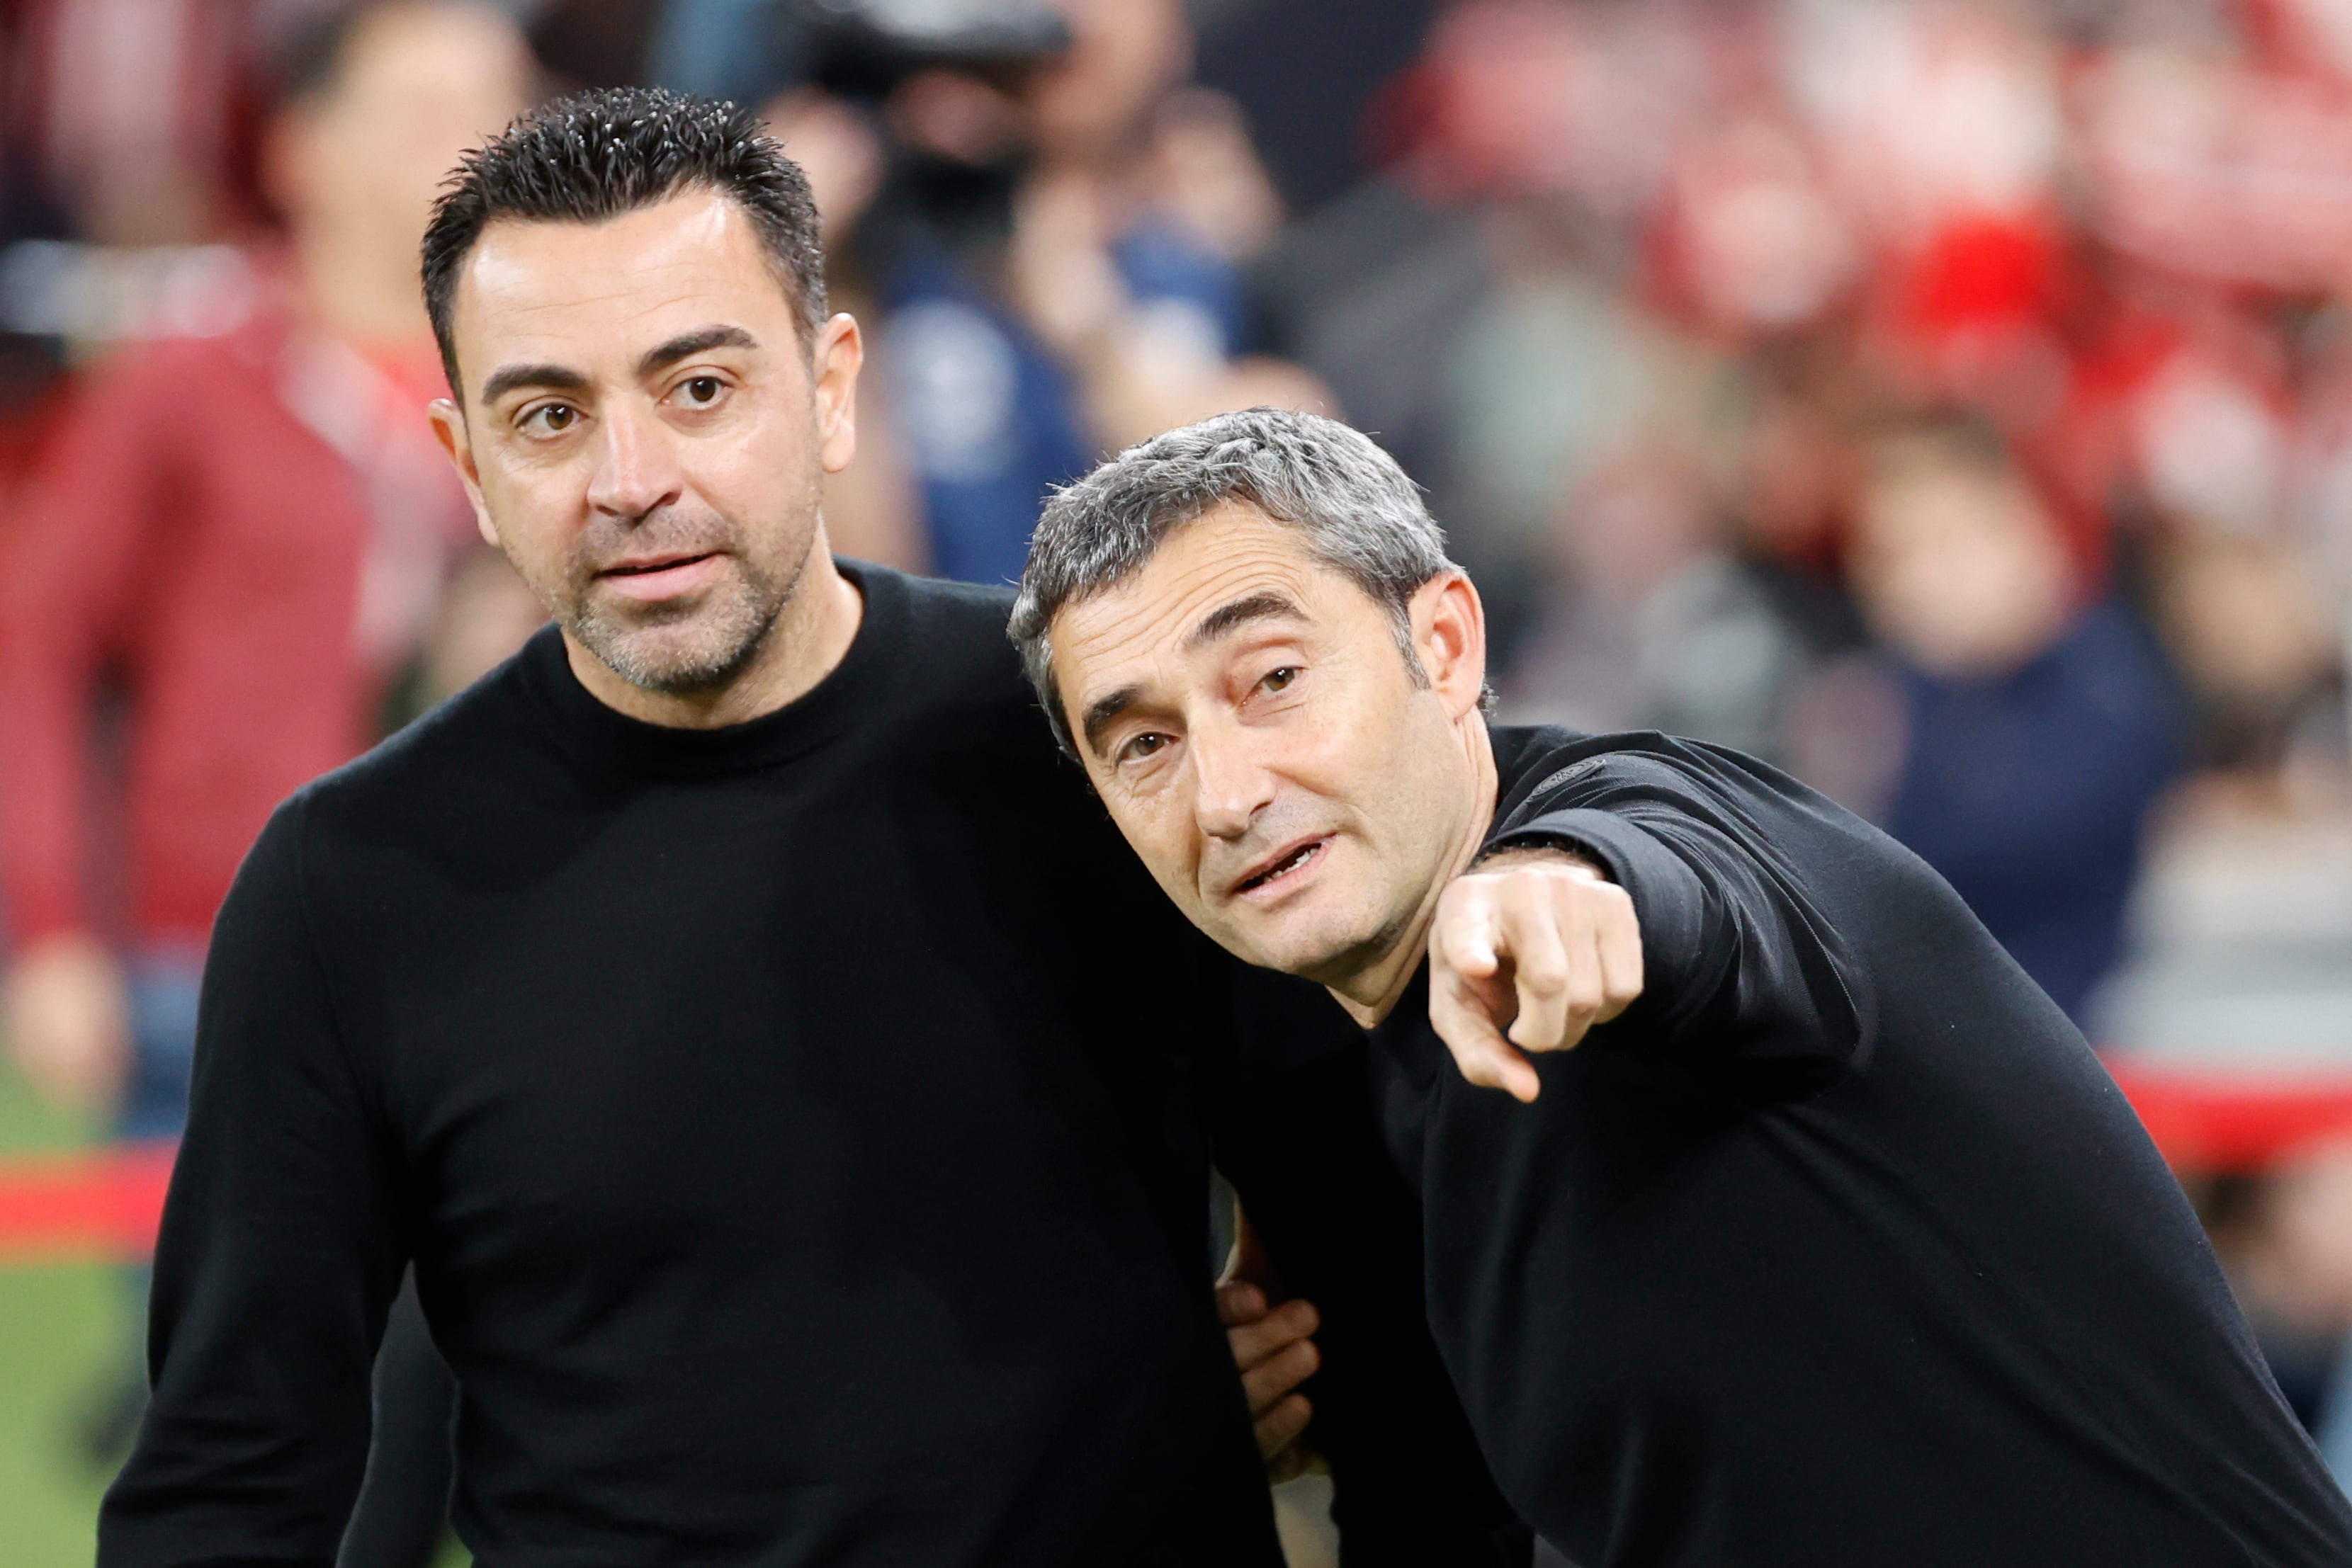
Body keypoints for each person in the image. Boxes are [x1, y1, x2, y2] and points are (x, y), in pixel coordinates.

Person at [97, 90, 1522, 1567]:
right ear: (467, 466)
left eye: (699, 388)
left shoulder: (1107, 747)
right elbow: (232, 1476)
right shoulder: (348, 889)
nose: (631, 479)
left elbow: (1382, 1282)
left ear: (832, 388)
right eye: (548, 417)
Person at [1011, 405, 2352, 1567]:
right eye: (1143, 744)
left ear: (1449, 644)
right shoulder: (1364, 1086)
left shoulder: (1665, 825)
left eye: (1278, 678)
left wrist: (1565, 884)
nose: (1228, 791)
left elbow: (1680, 867)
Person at [0, 0, 530, 1493]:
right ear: (305, 149)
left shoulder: (545, 377)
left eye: (499, 98)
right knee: (260, 1448)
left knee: (471, 1443)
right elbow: (34, 641)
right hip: (214, 963)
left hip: (489, 970)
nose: (475, 136)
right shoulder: (202, 368)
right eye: (427, 102)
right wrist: (48, 930)